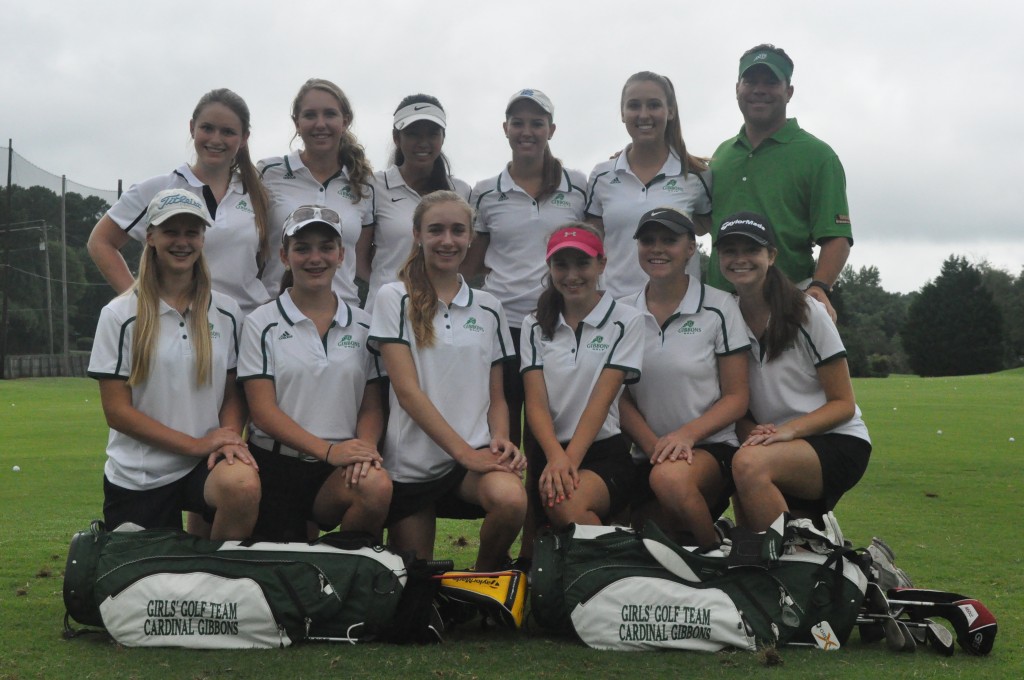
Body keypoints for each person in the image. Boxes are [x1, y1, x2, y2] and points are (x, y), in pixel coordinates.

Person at [87, 189, 260, 538]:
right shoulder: (119, 314)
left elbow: (232, 393)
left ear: (202, 239)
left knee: (242, 484)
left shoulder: (226, 311)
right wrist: (194, 444)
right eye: (171, 231)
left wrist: (227, 438)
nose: (182, 242)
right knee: (140, 586)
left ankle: (215, 581)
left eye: (191, 232)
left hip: (204, 465)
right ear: (150, 237)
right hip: (139, 474)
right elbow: (118, 412)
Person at [369, 191, 526, 571]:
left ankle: (484, 573)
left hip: (471, 463)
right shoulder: (393, 297)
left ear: (471, 237)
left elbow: (497, 394)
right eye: (436, 230)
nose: (447, 241)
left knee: (512, 501)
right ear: (417, 235)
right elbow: (406, 392)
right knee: (416, 589)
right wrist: (463, 452)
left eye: (458, 231)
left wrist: (500, 439)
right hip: (411, 467)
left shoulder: (489, 306)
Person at [238, 206, 392, 541]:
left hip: (337, 469)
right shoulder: (260, 323)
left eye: (326, 247)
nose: (315, 258)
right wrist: (327, 450)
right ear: (284, 255)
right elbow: (262, 412)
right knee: (284, 579)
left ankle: (346, 572)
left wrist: (363, 450)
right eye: (302, 248)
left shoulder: (366, 325)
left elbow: (372, 404)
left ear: (341, 255)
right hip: (276, 465)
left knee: (375, 485)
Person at [715, 211, 870, 532]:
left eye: (751, 250)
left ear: (771, 255)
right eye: (730, 250)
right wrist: (754, 435)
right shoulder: (723, 317)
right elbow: (735, 400)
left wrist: (788, 431)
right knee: (744, 478)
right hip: (775, 445)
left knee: (747, 464)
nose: (740, 259)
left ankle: (797, 557)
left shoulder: (807, 312)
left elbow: (843, 404)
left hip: (837, 440)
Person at [618, 208, 749, 551]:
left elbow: (737, 397)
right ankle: (712, 535)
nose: (657, 248)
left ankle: (713, 558)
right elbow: (618, 397)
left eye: (669, 240)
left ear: (691, 248)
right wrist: (652, 445)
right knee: (652, 538)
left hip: (710, 446)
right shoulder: (621, 312)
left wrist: (685, 436)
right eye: (648, 240)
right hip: (647, 451)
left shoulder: (721, 307)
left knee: (670, 481)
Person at [462, 88, 587, 447]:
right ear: (505, 128)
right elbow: (472, 262)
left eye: (537, 123)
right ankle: (511, 502)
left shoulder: (578, 185)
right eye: (518, 123)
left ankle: (543, 501)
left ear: (552, 129)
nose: (527, 131)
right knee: (504, 424)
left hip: (559, 323)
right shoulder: (485, 192)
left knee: (549, 428)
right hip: (503, 325)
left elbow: (594, 249)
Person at [87, 88, 272, 315]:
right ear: (192, 128)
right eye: (207, 128)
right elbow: (101, 242)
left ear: (244, 138)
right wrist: (139, 303)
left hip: (247, 329)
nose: (216, 139)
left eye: (228, 132)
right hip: (182, 327)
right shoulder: (157, 189)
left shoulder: (258, 193)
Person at [706, 44, 852, 316]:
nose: (759, 89)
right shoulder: (721, 156)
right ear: (737, 88)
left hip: (786, 306)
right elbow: (698, 220)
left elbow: (836, 237)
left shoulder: (818, 156)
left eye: (771, 81)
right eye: (751, 81)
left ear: (789, 92)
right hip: (719, 309)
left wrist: (820, 286)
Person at [521, 224, 644, 530]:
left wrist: (568, 461)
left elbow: (600, 401)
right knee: (540, 559)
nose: (571, 274)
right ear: (549, 267)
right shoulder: (533, 323)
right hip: (548, 453)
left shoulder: (626, 320)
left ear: (601, 263)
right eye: (561, 264)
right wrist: (554, 457)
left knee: (565, 505)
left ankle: (623, 569)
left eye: (583, 263)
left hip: (602, 452)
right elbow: (535, 403)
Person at [585, 72, 711, 300]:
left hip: (681, 310)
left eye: (654, 105)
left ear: (670, 111)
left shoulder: (696, 175)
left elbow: (705, 228)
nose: (644, 114)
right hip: (616, 309)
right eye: (634, 106)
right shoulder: (601, 175)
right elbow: (593, 244)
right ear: (622, 114)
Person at [259, 78, 374, 306]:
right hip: (276, 312)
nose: (320, 124)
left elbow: (362, 263)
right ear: (297, 122)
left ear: (345, 121)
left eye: (330, 114)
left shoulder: (364, 183)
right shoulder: (269, 173)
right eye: (310, 115)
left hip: (345, 318)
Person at [358, 94, 471, 312]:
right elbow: (360, 259)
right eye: (412, 134)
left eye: (432, 133)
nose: (423, 142)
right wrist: (390, 285)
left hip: (441, 312)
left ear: (443, 137)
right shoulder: (373, 185)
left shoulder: (461, 191)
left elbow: (464, 257)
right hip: (385, 314)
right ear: (396, 138)